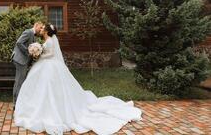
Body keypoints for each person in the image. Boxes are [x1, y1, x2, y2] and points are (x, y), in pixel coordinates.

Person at [14, 24, 142, 135]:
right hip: (44, 65)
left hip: (50, 65)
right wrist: (39, 51)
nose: (40, 30)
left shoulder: (51, 41)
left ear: (46, 31)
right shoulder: (47, 40)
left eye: (42, 29)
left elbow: (52, 54)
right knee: (41, 85)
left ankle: (53, 108)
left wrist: (41, 52)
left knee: (51, 86)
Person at [11, 21, 43, 106]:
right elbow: (19, 42)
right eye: (40, 27)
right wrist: (28, 52)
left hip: (23, 60)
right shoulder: (28, 32)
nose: (41, 30)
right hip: (20, 60)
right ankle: (16, 103)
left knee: (20, 80)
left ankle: (17, 101)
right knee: (19, 81)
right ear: (36, 25)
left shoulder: (34, 36)